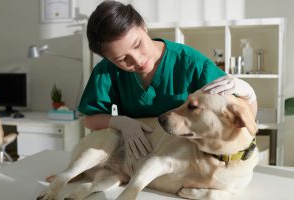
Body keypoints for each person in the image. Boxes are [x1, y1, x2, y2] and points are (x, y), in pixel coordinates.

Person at [78, 1, 257, 160]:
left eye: (138, 44)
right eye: (122, 59)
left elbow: (242, 121)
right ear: (109, 60)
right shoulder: (106, 71)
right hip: (139, 157)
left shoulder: (189, 62)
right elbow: (91, 119)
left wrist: (249, 94)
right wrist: (120, 122)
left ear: (143, 27)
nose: (137, 60)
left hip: (185, 158)